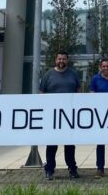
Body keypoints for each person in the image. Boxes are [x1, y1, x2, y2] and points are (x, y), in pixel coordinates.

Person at [39, 51, 81, 180]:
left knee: (69, 145)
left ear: (67, 60)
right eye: (59, 59)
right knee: (52, 144)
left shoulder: (73, 74)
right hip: (53, 115)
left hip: (69, 115)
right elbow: (41, 92)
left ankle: (72, 169)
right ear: (55, 60)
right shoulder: (48, 75)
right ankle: (49, 170)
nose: (61, 61)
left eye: (63, 59)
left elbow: (78, 90)